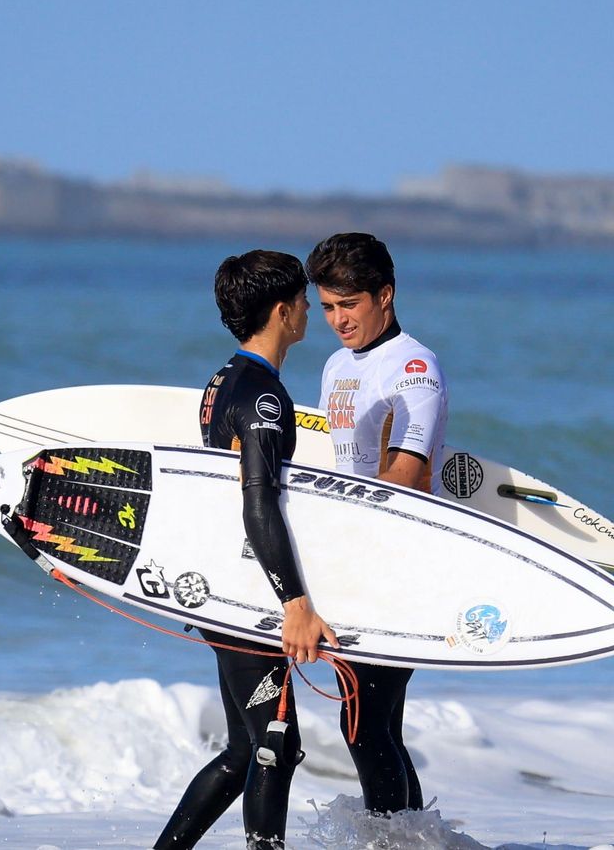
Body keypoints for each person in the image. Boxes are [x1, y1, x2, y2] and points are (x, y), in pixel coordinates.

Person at [155, 249, 340, 850]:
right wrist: (295, 602)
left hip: (224, 588)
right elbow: (256, 501)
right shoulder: (263, 397)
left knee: (245, 750)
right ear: (283, 311)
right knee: (274, 742)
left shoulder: (221, 382)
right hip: (246, 596)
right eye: (304, 301)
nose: (311, 309)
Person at [306, 232, 448, 816]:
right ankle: (414, 836)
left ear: (384, 295)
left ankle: (393, 837)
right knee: (373, 718)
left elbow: (408, 474)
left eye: (349, 305)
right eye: (328, 308)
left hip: (399, 562)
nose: (338, 320)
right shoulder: (337, 365)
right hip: (354, 559)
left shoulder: (415, 367)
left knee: (364, 721)